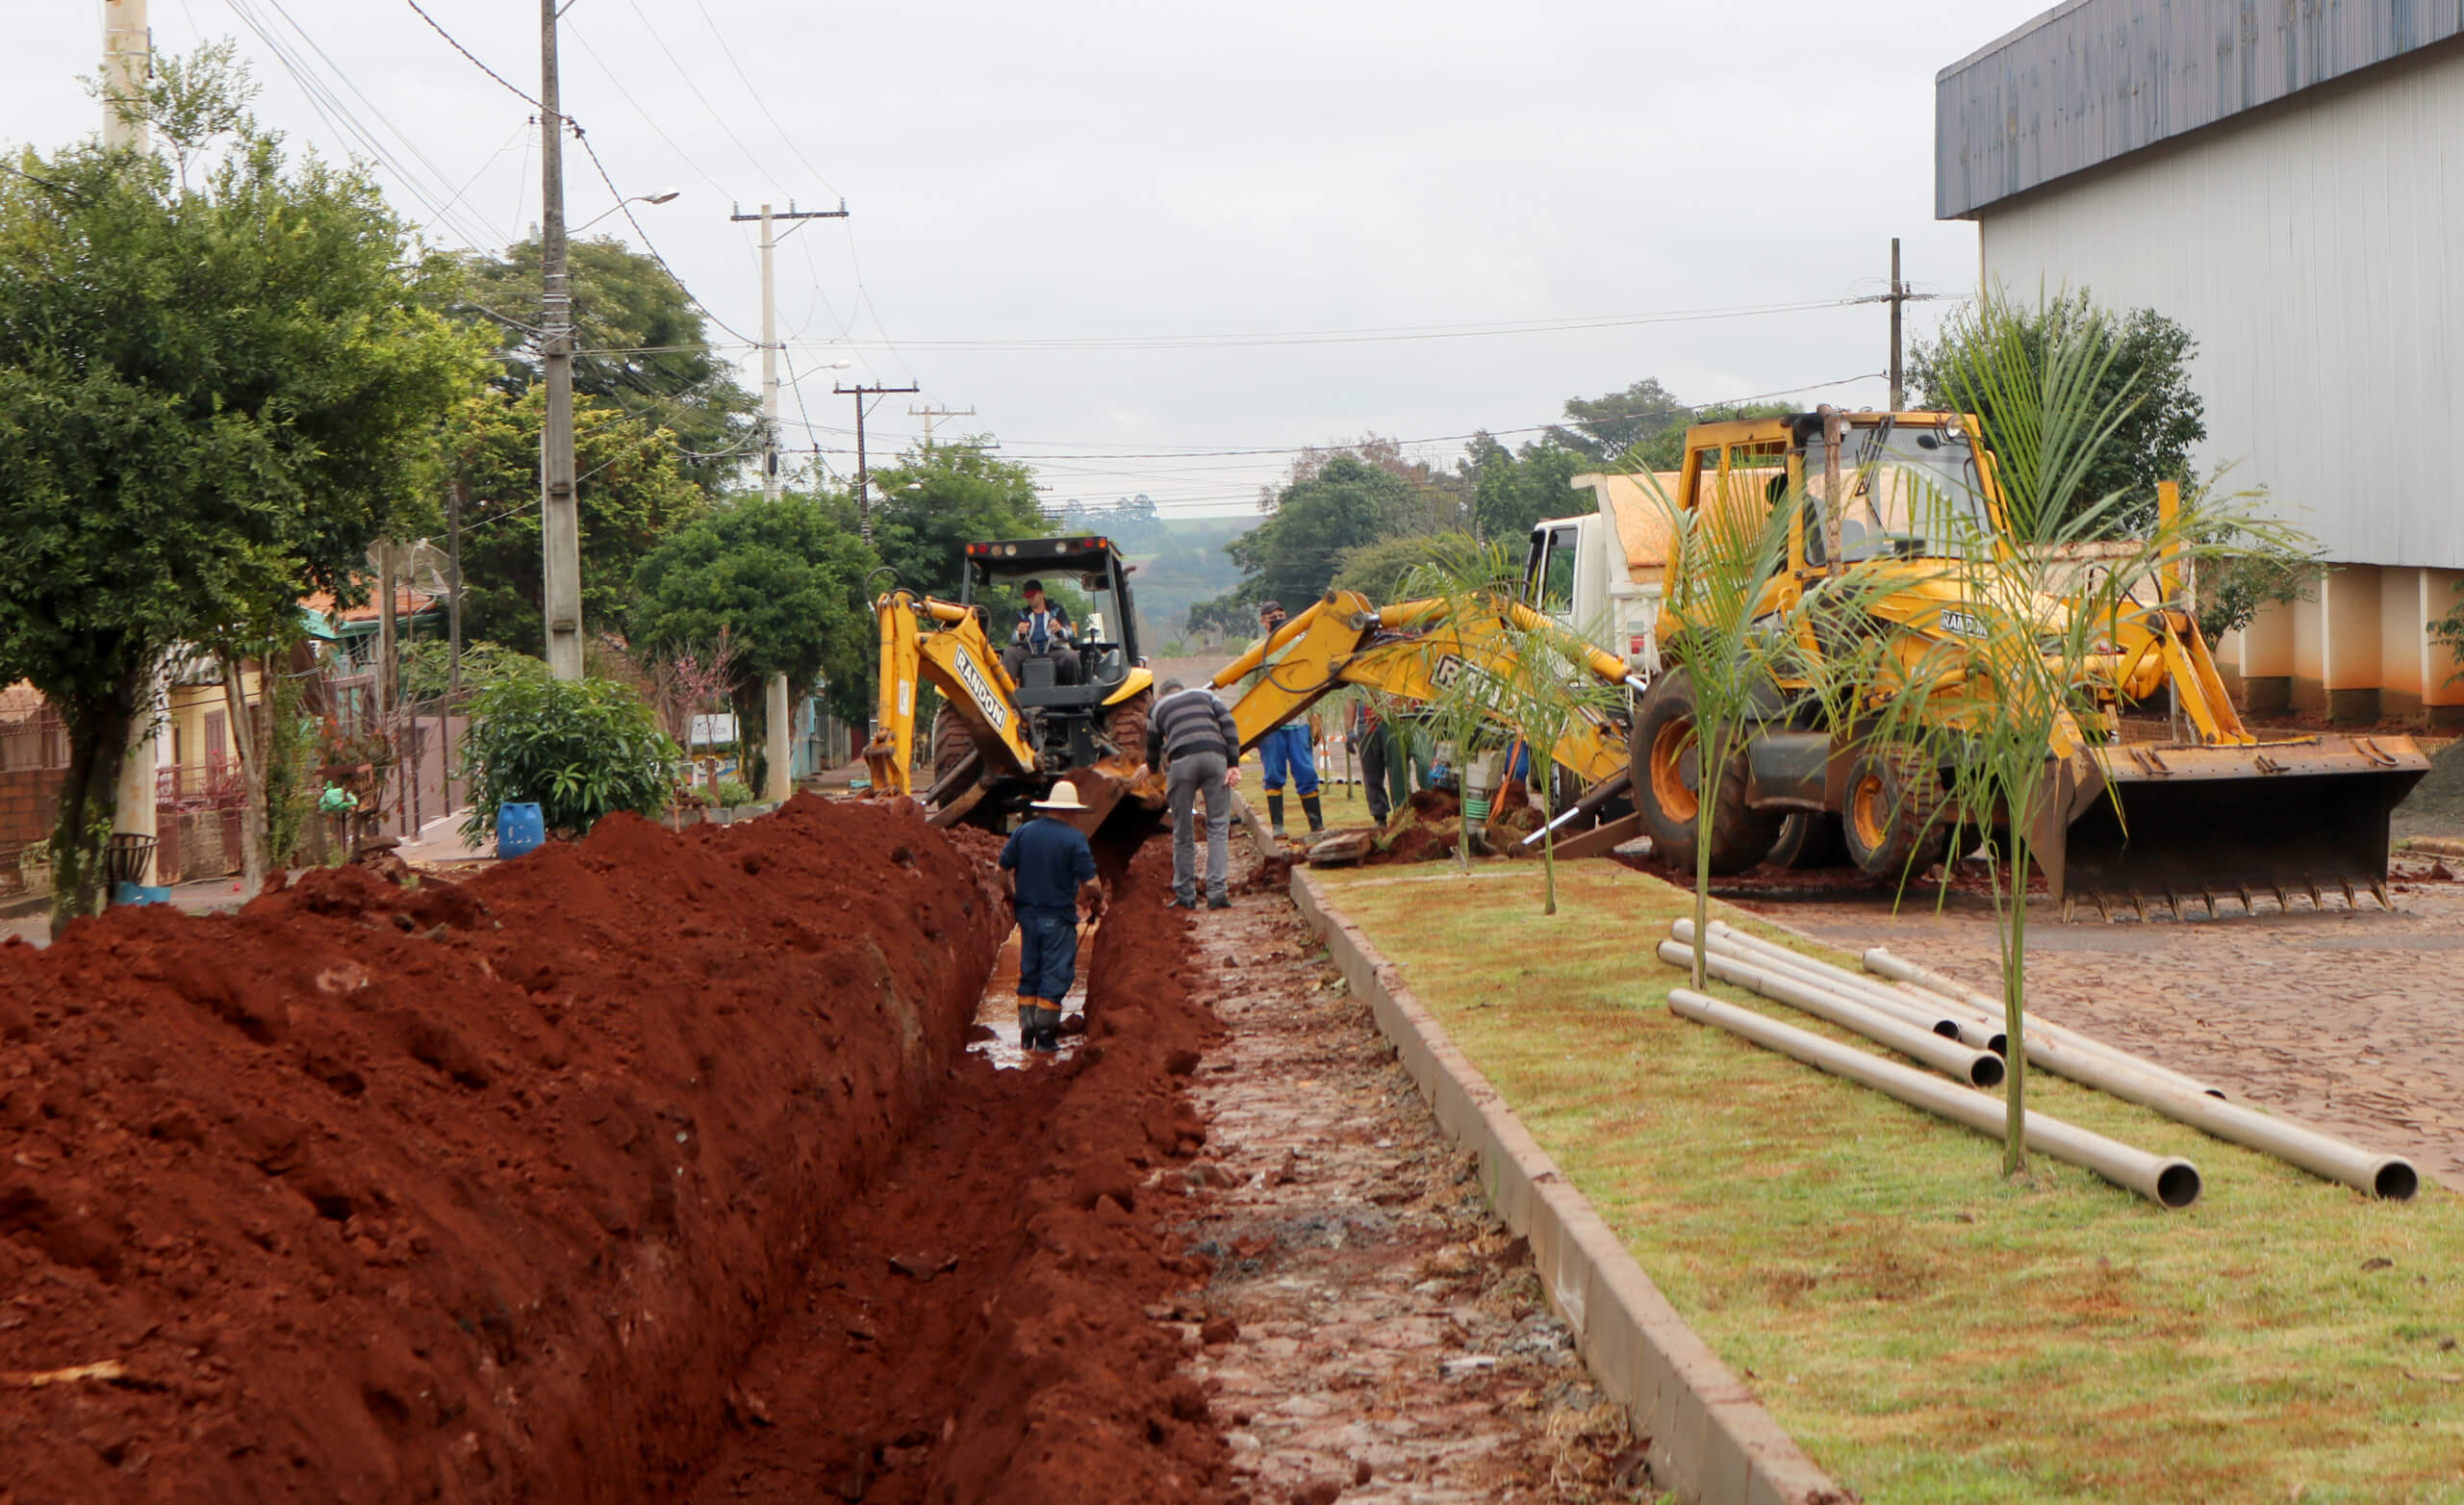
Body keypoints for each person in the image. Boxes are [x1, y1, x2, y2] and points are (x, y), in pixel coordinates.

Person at [997, 779, 1103, 1054]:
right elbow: (1091, 883)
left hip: (1027, 916)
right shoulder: (1074, 839)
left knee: (1030, 972)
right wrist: (1098, 901)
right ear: (1070, 812)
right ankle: (1045, 1038)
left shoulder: (1023, 832)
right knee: (1055, 976)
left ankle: (1027, 1034)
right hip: (1058, 919)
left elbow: (1001, 869)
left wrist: (1011, 894)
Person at [1146, 677, 1241, 909]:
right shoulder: (1206, 696)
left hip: (1182, 763)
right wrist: (1233, 764)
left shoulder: (1157, 708)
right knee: (1218, 826)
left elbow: (1152, 747)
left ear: (1161, 695)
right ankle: (1217, 892)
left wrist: (1151, 770)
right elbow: (1229, 725)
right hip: (1215, 758)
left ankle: (1185, 894)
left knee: (1182, 829)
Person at [1250, 601, 1323, 838]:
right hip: (1270, 724)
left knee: (1306, 771)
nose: (1277, 619)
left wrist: (1315, 714)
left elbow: (1311, 680)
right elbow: (1246, 688)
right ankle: (1278, 826)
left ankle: (1316, 824)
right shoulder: (1255, 650)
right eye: (1272, 617)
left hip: (1298, 721)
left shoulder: (1300, 644)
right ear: (1263, 622)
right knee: (1273, 773)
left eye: (1281, 615)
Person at [1000, 580, 1080, 686]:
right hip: (1029, 653)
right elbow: (1012, 639)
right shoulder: (1022, 614)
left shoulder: (1057, 611)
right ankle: (1007, 691)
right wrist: (1020, 633)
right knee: (1009, 653)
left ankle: (1074, 690)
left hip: (1053, 651)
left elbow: (1070, 635)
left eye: (1032, 595)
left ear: (1042, 594)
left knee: (1072, 657)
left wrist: (1059, 630)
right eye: (1027, 596)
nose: (1030, 599)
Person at [1347, 698, 1410, 826]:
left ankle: (1402, 813)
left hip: (1393, 723)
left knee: (1398, 773)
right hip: (1367, 726)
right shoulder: (1360, 679)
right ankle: (1379, 818)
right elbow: (1351, 698)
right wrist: (1349, 730)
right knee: (1371, 775)